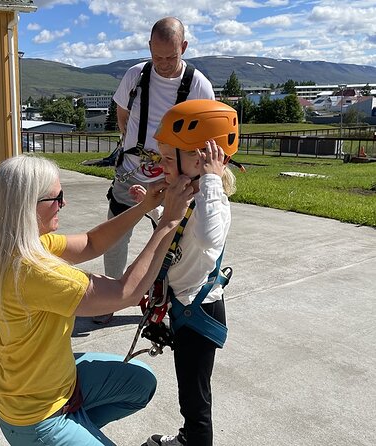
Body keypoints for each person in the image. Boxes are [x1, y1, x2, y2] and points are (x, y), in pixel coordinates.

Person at [0, 154, 195, 445]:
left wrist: (146, 206)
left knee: (141, 383)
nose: (63, 203)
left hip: (55, 385)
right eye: (57, 197)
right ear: (29, 206)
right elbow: (126, 292)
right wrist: (170, 221)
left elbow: (93, 243)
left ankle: (78, 428)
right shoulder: (34, 272)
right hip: (38, 419)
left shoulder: (29, 245)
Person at [95, 16, 215, 324]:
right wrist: (135, 147)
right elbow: (123, 114)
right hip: (132, 172)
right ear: (149, 47)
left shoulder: (199, 85)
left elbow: (208, 135)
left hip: (174, 179)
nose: (162, 63)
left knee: (170, 242)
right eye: (156, 56)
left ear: (184, 47)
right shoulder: (136, 75)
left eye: (170, 57)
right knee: (116, 235)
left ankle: (160, 302)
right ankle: (109, 299)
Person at [133, 99, 239, 446]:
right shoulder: (191, 196)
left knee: (196, 398)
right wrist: (152, 207)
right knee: (187, 390)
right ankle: (188, 437)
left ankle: (195, 439)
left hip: (200, 311)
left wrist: (211, 179)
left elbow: (207, 235)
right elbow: (179, 232)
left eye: (167, 157)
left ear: (198, 159)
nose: (160, 164)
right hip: (183, 307)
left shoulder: (216, 202)